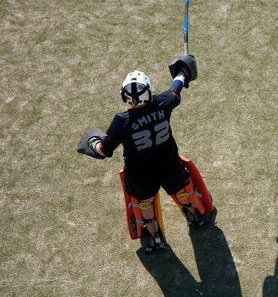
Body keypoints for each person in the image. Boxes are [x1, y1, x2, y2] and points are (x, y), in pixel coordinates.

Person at [84, 63, 212, 251]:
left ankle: (154, 237)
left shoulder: (122, 121)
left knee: (145, 203)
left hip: (140, 175)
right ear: (149, 91)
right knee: (180, 191)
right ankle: (194, 214)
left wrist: (92, 142)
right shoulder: (164, 102)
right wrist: (183, 72)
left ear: (124, 96)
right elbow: (175, 89)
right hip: (169, 166)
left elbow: (104, 149)